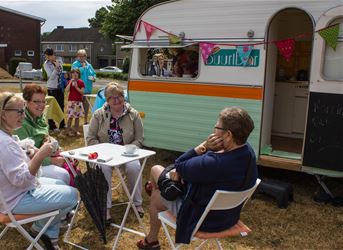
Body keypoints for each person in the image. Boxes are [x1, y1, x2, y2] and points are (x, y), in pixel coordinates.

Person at [137, 106, 258, 249]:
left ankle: (151, 240)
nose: (213, 131)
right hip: (228, 217)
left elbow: (180, 164)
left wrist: (204, 146)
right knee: (161, 177)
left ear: (228, 135)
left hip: (201, 219)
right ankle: (162, 188)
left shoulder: (213, 163)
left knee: (156, 195)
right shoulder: (248, 152)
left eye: (216, 127)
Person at [0, 92, 78, 250]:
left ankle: (48, 233)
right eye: (19, 111)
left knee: (60, 181)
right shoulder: (5, 144)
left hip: (6, 195)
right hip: (13, 200)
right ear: (3, 114)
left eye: (23, 110)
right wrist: (41, 154)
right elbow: (22, 180)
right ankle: (41, 228)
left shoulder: (0, 137)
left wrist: (30, 152)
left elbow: (17, 170)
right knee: (73, 195)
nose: (23, 114)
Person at [86, 82, 145, 224]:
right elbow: (90, 138)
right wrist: (103, 150)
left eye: (119, 96)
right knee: (104, 168)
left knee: (134, 167)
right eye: (112, 97)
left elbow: (139, 139)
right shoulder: (98, 115)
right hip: (105, 156)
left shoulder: (133, 114)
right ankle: (105, 208)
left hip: (126, 155)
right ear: (107, 100)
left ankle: (137, 203)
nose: (117, 100)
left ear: (124, 97)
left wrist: (129, 149)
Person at [14, 84, 70, 185]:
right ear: (26, 102)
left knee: (71, 166)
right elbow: (26, 154)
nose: (41, 105)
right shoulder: (21, 123)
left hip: (44, 156)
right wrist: (53, 161)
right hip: (29, 166)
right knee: (64, 175)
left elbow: (45, 138)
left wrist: (60, 151)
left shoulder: (40, 118)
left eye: (43, 101)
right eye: (36, 101)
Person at [71, 49, 96, 125]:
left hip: (88, 89)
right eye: (80, 56)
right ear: (77, 56)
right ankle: (76, 123)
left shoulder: (89, 65)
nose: (81, 58)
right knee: (77, 106)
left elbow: (94, 74)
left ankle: (85, 121)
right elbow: (74, 74)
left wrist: (94, 78)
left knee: (86, 106)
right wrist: (83, 68)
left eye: (83, 56)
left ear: (86, 56)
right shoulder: (75, 64)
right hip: (78, 90)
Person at [43, 48, 65, 132]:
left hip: (60, 87)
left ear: (52, 55)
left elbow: (61, 72)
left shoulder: (59, 60)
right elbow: (51, 77)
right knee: (51, 107)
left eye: (47, 56)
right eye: (46, 56)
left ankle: (62, 124)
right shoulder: (46, 64)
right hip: (52, 87)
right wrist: (55, 68)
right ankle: (52, 126)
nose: (47, 58)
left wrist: (58, 67)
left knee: (61, 105)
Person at [65, 68, 85, 136]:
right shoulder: (69, 81)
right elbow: (66, 90)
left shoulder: (81, 82)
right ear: (71, 74)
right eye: (73, 73)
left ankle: (76, 131)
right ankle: (68, 131)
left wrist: (76, 87)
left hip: (78, 102)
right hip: (71, 102)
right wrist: (70, 82)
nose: (75, 74)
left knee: (77, 117)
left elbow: (82, 92)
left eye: (76, 73)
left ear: (78, 74)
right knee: (70, 117)